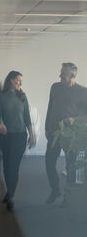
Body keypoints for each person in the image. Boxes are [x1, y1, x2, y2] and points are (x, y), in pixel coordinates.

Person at [0, 70, 35, 211]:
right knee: (7, 166)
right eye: (18, 80)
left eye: (21, 81)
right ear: (11, 80)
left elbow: (27, 117)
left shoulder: (22, 96)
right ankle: (9, 190)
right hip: (4, 136)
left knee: (14, 166)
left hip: (20, 136)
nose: (21, 83)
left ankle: (11, 195)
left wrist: (32, 133)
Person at [45, 63, 87, 204]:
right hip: (53, 132)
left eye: (63, 74)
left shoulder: (83, 91)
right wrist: (46, 127)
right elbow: (50, 107)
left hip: (71, 135)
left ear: (73, 76)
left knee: (71, 166)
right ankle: (55, 189)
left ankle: (67, 197)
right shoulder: (55, 87)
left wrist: (74, 119)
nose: (60, 76)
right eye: (60, 73)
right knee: (49, 163)